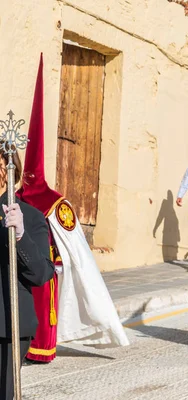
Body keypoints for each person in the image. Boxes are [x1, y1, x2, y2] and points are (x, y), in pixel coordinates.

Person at [18, 56, 129, 369]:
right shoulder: (14, 197)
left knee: (43, 309)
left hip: (47, 268)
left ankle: (41, 350)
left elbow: (75, 248)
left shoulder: (56, 202)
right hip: (22, 267)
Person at [0, 143, 55, 399]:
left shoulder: (30, 217)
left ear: (10, 173)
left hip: (6, 325)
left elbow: (41, 273)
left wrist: (21, 237)